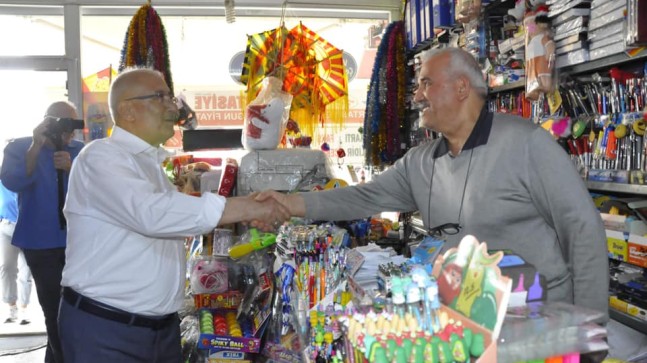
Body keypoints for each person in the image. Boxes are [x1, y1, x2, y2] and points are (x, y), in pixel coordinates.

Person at [258, 47, 609, 321]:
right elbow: (364, 197)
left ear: (461, 88)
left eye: (426, 82)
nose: (416, 95)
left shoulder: (528, 144)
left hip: (538, 324)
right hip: (469, 324)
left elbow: (583, 229)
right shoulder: (420, 162)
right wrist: (289, 204)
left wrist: (591, 324)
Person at [58, 68, 288, 363]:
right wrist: (249, 206)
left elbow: (169, 219)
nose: (172, 106)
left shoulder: (148, 163)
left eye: (170, 96)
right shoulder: (101, 157)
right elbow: (153, 214)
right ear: (128, 110)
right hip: (108, 329)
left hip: (158, 331)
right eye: (160, 97)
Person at [1, 101, 84, 363]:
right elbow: (13, 181)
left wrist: (72, 169)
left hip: (80, 243)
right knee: (52, 310)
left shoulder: (81, 152)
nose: (66, 131)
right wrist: (36, 147)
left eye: (70, 124)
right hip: (39, 243)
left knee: (77, 311)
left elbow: (97, 192)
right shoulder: (19, 147)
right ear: (46, 122)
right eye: (59, 123)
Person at [0, 180, 32, 325]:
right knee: (7, 267)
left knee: (26, 272)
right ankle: (12, 307)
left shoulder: (26, 180)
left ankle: (24, 309)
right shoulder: (2, 182)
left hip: (27, 228)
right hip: (7, 227)